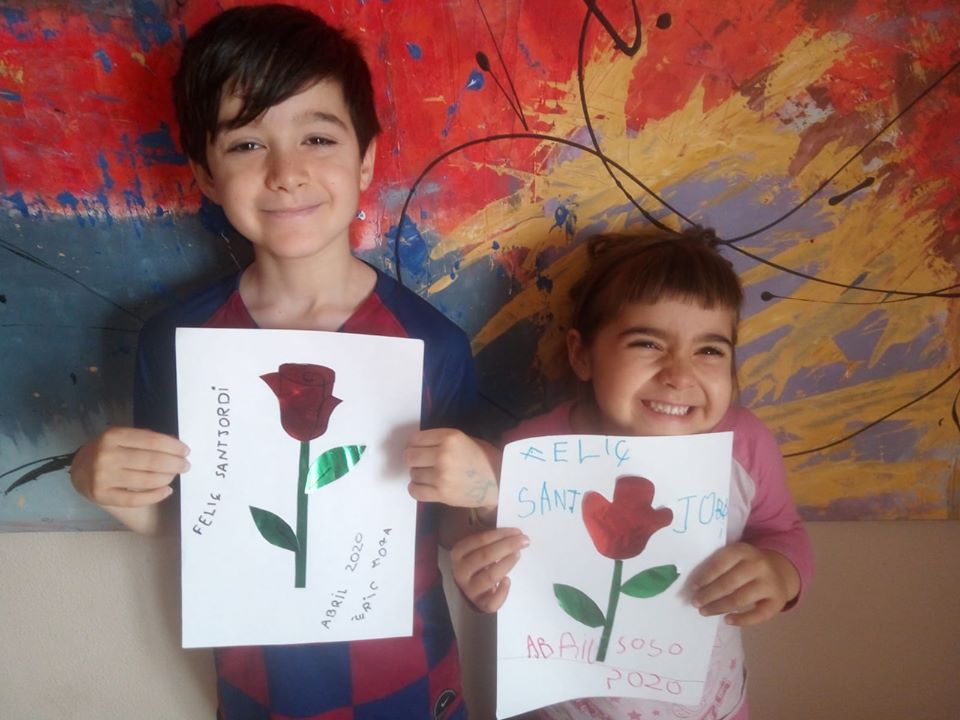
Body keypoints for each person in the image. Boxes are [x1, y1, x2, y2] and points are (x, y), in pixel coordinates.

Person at [69, 5, 485, 718]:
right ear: (205, 173)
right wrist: (101, 481)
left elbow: (450, 526)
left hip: (407, 680)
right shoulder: (176, 339)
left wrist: (482, 499)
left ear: (365, 159)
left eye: (317, 137)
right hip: (256, 685)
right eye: (246, 144)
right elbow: (181, 518)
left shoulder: (432, 344)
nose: (287, 173)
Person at [443, 228, 814, 719]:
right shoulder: (533, 451)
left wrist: (780, 574)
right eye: (648, 343)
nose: (679, 375)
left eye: (710, 350)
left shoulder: (744, 445)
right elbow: (491, 554)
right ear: (582, 355)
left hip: (714, 709)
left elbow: (782, 530)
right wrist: (481, 576)